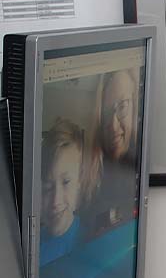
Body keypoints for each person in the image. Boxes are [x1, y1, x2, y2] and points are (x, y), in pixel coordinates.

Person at [84, 67, 141, 236]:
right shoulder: (89, 177)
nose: (114, 126)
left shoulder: (142, 167)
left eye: (122, 106)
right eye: (107, 112)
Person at [39, 118, 91, 265]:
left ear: (79, 183)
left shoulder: (89, 240)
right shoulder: (33, 244)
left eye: (66, 182)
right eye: (48, 186)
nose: (56, 200)